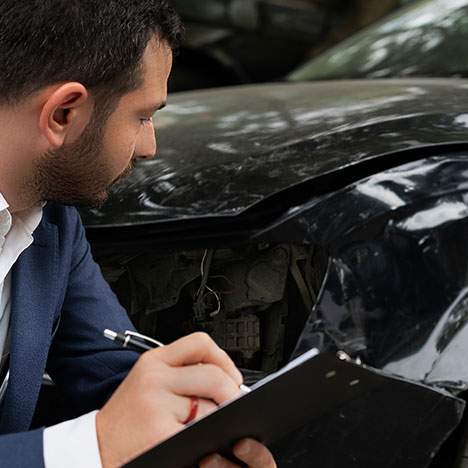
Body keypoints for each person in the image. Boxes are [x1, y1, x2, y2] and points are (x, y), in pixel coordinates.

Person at [0, 1, 277, 467]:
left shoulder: (54, 223)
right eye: (143, 117)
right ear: (64, 113)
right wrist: (98, 445)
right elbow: (111, 431)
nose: (150, 147)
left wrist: (203, 430)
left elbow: (111, 371)